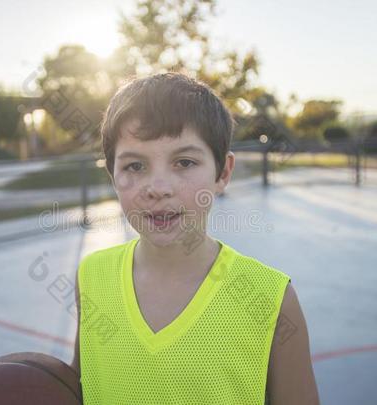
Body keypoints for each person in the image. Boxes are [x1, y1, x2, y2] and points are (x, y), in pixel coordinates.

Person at [71, 72, 319, 404]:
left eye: (184, 162)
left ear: (223, 173)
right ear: (112, 176)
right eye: (134, 166)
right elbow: (79, 387)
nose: (158, 188)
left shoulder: (271, 300)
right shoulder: (91, 276)